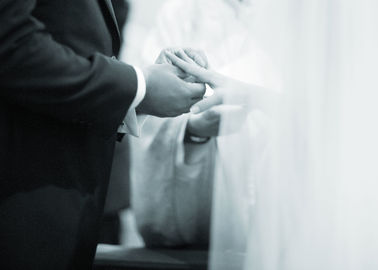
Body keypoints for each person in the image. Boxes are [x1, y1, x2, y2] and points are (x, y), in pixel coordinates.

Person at [0, 0, 207, 269]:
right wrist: (138, 88)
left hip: (62, 202)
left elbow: (71, 37)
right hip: (21, 199)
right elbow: (10, 43)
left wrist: (137, 83)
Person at [126, 0, 278, 248]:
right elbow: (148, 111)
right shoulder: (182, 12)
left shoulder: (305, 14)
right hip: (201, 217)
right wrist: (191, 130)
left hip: (282, 205)